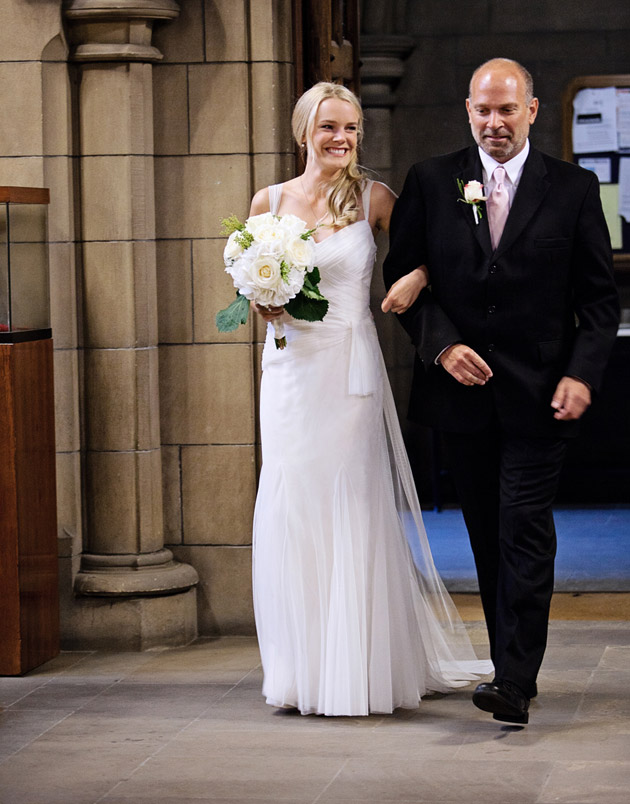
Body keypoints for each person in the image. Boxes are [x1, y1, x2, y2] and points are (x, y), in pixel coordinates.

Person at [383, 58, 620, 724]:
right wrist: (442, 346)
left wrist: (581, 373)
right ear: (468, 111)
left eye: (507, 110)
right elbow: (405, 278)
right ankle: (509, 665)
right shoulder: (431, 182)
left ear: (532, 111)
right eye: (484, 111)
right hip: (460, 400)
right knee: (488, 537)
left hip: (542, 394)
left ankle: (515, 679)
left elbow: (599, 302)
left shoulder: (573, 188)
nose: (495, 122)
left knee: (523, 527)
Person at [250, 81, 491, 716]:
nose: (342, 139)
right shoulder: (268, 201)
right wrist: (261, 299)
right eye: (330, 126)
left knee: (351, 503)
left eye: (352, 128)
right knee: (293, 503)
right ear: (304, 131)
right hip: (290, 373)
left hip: (349, 373)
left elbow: (446, 247)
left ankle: (357, 667)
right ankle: (303, 669)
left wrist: (415, 274)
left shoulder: (375, 198)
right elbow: (255, 288)